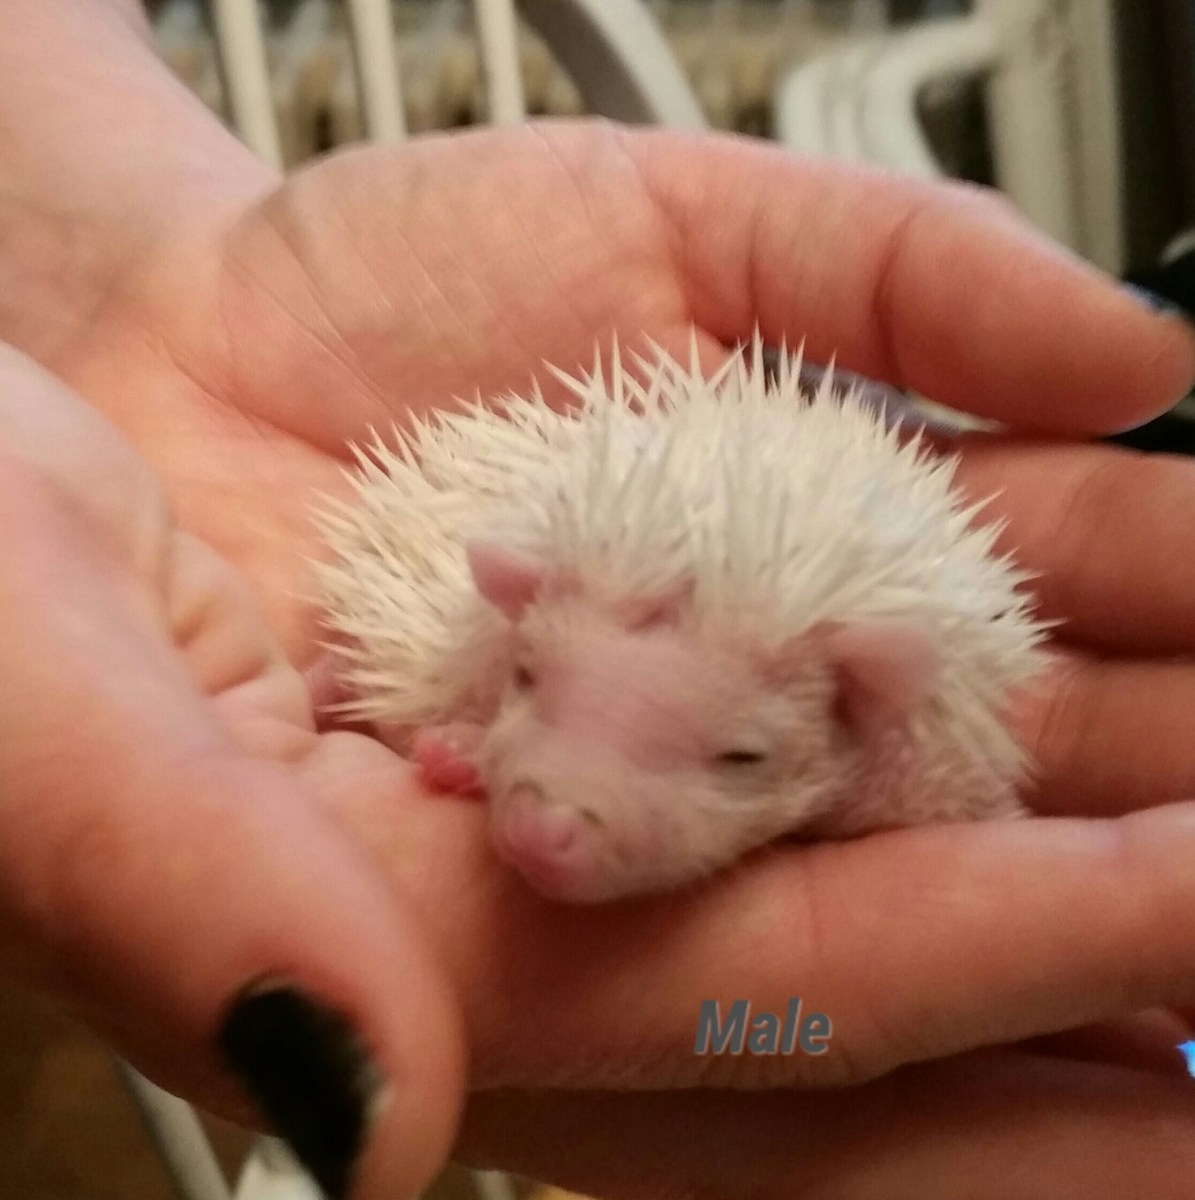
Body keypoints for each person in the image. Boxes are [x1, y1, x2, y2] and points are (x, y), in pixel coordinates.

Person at [3, 2, 1195, 1197]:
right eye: (531, 685)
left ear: (865, 696)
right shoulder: (533, 580)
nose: (549, 823)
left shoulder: (904, 724)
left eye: (735, 757)